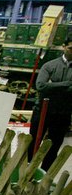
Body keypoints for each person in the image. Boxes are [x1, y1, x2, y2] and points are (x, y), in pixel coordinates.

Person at [28, 38, 72, 171]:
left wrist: (52, 85)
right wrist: (66, 85)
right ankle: (26, 171)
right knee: (33, 143)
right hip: (42, 111)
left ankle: (44, 176)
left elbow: (47, 87)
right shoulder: (49, 65)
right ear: (63, 47)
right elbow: (41, 85)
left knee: (53, 147)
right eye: (71, 48)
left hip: (63, 113)